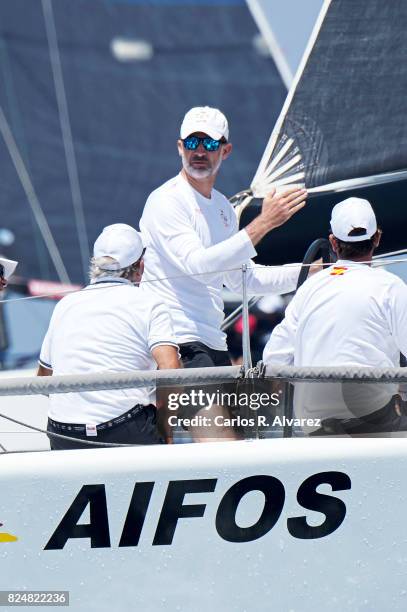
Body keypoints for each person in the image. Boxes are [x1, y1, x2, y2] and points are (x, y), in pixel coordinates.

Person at [140, 106, 307, 373]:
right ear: (180, 148)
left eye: (209, 143)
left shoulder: (224, 208)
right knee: (217, 417)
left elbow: (244, 278)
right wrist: (264, 223)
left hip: (213, 342)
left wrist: (309, 272)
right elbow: (199, 268)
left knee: (232, 415)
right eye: (192, 142)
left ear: (225, 150)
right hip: (176, 340)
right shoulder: (166, 200)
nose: (200, 151)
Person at [263, 197, 407, 435]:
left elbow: (273, 359)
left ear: (333, 243)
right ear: (378, 238)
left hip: (311, 417)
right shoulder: (390, 286)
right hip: (370, 413)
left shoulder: (309, 287)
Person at [37, 224, 180, 450]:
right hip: (124, 431)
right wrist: (165, 427)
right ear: (140, 266)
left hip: (62, 433)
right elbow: (171, 369)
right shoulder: (150, 303)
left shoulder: (66, 304)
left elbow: (44, 379)